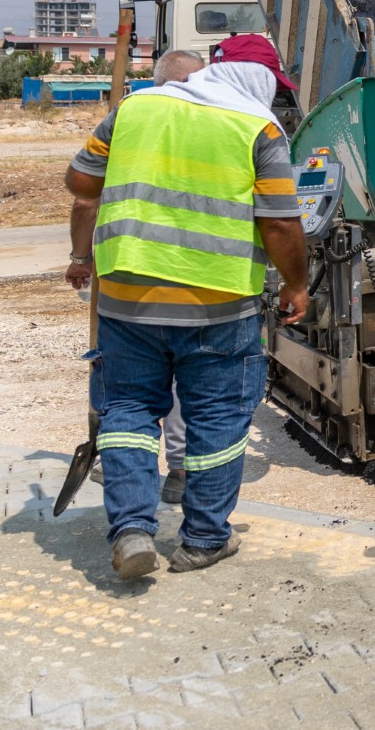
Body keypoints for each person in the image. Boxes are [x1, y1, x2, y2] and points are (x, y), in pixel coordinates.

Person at [63, 34, 309, 579]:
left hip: (127, 299)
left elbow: (80, 182)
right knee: (217, 418)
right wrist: (296, 285)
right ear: (260, 80)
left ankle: (131, 529)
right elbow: (278, 221)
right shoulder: (258, 129)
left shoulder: (133, 108)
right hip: (215, 303)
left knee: (127, 411)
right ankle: (202, 540)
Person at [149, 48, 206, 506]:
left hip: (132, 277)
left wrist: (81, 256)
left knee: (136, 385)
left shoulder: (128, 122)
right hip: (195, 276)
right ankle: (182, 471)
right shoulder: (215, 123)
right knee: (190, 382)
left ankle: (122, 459)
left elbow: (86, 194)